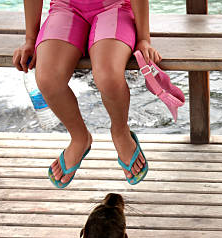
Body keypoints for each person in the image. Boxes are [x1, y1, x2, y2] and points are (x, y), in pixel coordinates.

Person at [12, 0, 160, 186]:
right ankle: (79, 137)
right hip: (66, 8)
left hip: (114, 8)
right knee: (47, 78)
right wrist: (30, 40)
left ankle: (120, 131)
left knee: (108, 76)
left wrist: (143, 39)